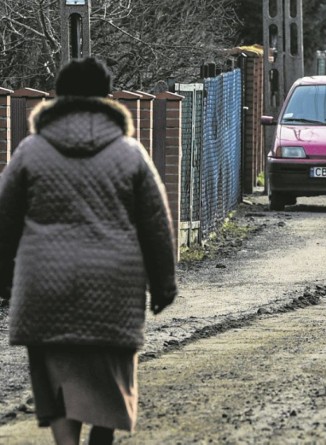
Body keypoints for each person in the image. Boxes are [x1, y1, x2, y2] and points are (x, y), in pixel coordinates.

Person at [0, 57, 177, 445]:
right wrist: (164, 284)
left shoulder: (30, 151)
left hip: (44, 284)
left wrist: (3, 279)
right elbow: (156, 225)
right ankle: (101, 437)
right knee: (110, 374)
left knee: (54, 377)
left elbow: (4, 220)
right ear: (107, 97)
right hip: (113, 285)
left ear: (57, 97)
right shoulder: (129, 153)